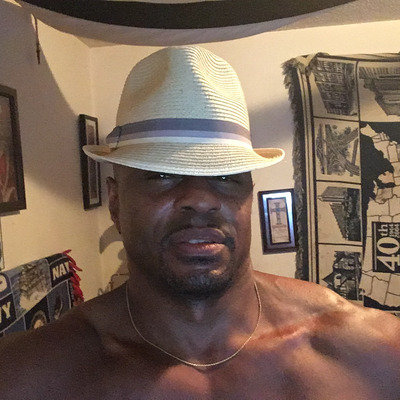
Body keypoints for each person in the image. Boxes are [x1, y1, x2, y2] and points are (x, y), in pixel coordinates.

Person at [0, 46, 399, 400]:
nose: (201, 198)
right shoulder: (28, 375)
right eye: (161, 175)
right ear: (116, 203)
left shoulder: (372, 353)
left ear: (248, 195)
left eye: (226, 176)